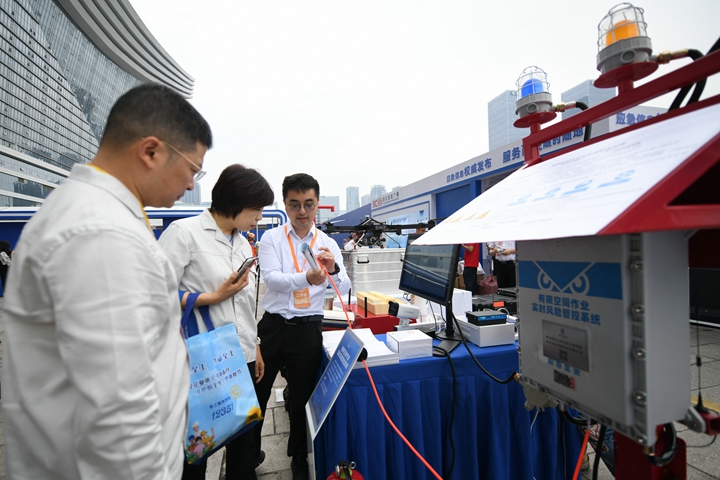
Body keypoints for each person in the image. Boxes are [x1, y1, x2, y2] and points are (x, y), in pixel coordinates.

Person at [1, 84, 211, 479]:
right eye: (193, 169)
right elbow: (118, 414)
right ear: (151, 152)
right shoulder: (100, 234)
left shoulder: (100, 215)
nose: (190, 184)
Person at [158, 164, 274, 479]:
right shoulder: (184, 234)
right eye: (257, 208)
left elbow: (245, 302)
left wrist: (256, 346)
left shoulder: (241, 242)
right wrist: (211, 297)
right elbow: (153, 294)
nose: (259, 216)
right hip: (202, 362)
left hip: (241, 358)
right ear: (236, 201)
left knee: (243, 447)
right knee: (197, 448)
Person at [255, 173, 351, 480]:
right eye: (294, 204)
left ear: (316, 205)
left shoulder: (327, 243)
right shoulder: (271, 239)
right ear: (284, 204)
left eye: (308, 204)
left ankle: (298, 455)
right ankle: (247, 454)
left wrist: (333, 269)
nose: (302, 212)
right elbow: (271, 279)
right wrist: (306, 279)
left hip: (308, 328)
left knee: (301, 397)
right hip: (273, 326)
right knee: (257, 392)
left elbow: (345, 285)